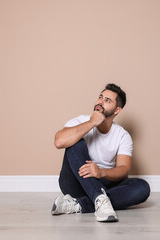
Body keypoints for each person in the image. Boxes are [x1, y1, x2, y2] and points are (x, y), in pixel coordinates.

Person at [51, 83, 150, 222]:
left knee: (142, 187)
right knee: (75, 140)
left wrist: (100, 172)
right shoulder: (81, 121)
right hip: (75, 181)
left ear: (117, 110)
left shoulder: (122, 135)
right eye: (100, 97)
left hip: (103, 181)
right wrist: (92, 123)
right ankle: (99, 198)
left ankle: (80, 205)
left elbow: (123, 169)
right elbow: (59, 142)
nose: (100, 102)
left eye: (107, 101)